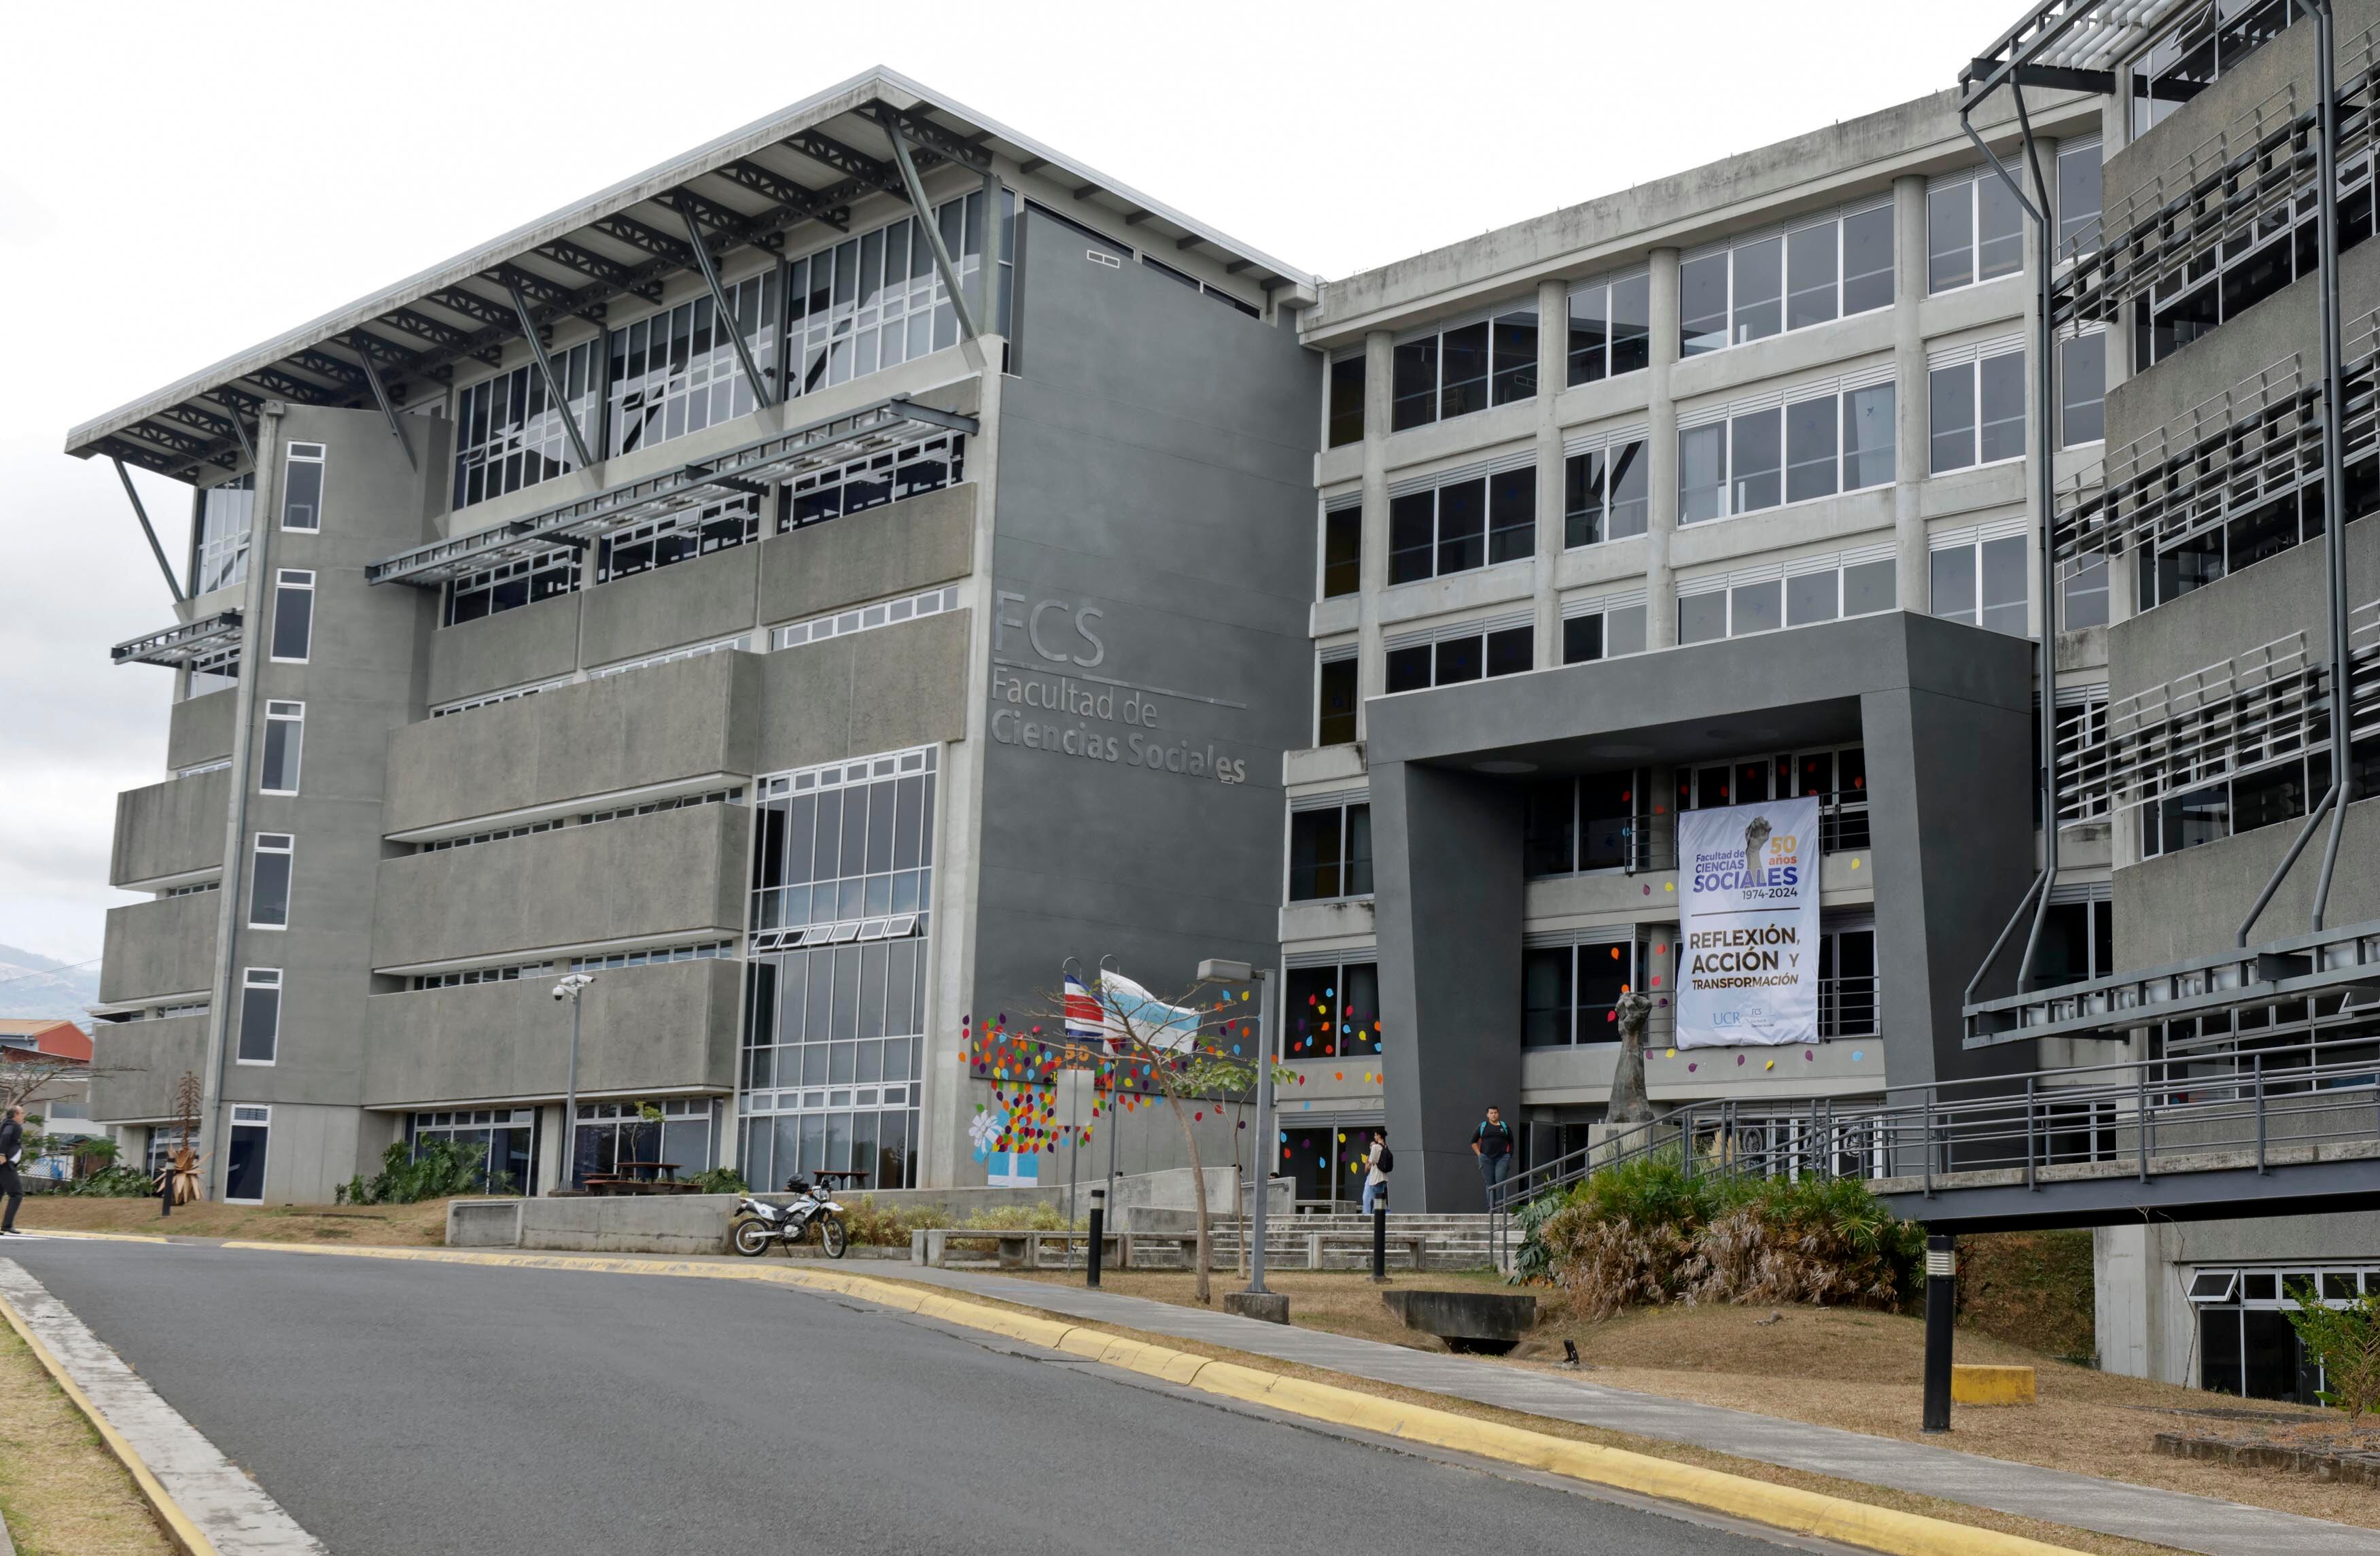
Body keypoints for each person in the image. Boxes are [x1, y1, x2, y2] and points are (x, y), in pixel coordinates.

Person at [1471, 1105, 1513, 1206]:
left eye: (1495, 1113)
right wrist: (1480, 1155)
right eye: (1491, 1113)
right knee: (1490, 1184)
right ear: (1487, 1115)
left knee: (1500, 1182)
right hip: (1486, 1158)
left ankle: (1500, 1208)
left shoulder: (1504, 1126)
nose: (1494, 1115)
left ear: (1498, 1114)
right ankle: (1491, 1208)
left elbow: (1511, 1142)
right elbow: (1473, 1142)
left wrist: (1509, 1155)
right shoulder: (1483, 1126)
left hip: (1502, 1158)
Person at [0, 1105, 24, 1235]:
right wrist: (2, 1154)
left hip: (4, 1164)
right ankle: (7, 1225)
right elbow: (6, 1136)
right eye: (22, 1113)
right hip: (5, 1165)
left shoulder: (4, 1123)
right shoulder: (12, 1125)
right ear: (15, 1114)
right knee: (17, 1194)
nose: (23, 1115)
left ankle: (7, 1225)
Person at [1359, 1129, 1390, 1215]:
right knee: (1377, 1198)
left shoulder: (1377, 1148)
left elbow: (1372, 1160)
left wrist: (1369, 1163)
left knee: (1374, 1198)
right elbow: (1367, 1169)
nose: (1374, 1136)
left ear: (1379, 1136)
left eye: (1375, 1135)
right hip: (1379, 1176)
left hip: (1375, 1177)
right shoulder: (1385, 1147)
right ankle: (1382, 1215)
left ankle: (1374, 1215)